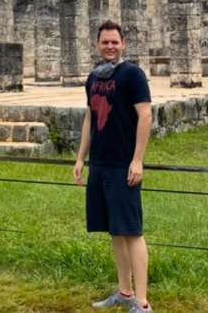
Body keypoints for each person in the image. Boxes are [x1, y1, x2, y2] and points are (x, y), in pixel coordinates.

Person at [73, 19, 152, 312]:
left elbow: (145, 116)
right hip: (101, 163)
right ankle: (125, 291)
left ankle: (142, 304)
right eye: (105, 42)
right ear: (97, 44)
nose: (110, 46)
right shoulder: (93, 78)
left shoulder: (132, 75)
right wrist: (81, 157)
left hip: (123, 164)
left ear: (123, 44)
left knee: (132, 231)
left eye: (114, 42)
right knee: (114, 231)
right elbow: (90, 118)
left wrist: (137, 159)